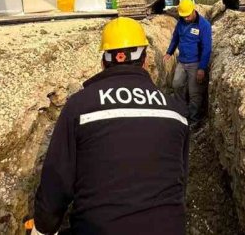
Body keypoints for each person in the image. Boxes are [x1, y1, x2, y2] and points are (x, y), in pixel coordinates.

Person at [31, 18, 190, 235]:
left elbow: (57, 182)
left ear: (104, 62)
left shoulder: (80, 106)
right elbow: (179, 180)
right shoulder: (176, 111)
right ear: (144, 60)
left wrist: (43, 227)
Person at [162, 0, 212, 125]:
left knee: (194, 92)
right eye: (183, 16)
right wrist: (169, 52)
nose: (185, 18)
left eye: (187, 16)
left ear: (193, 10)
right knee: (176, 85)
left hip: (195, 63)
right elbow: (175, 38)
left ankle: (194, 119)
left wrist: (202, 68)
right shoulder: (181, 22)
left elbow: (206, 48)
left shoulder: (204, 25)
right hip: (182, 61)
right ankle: (181, 112)